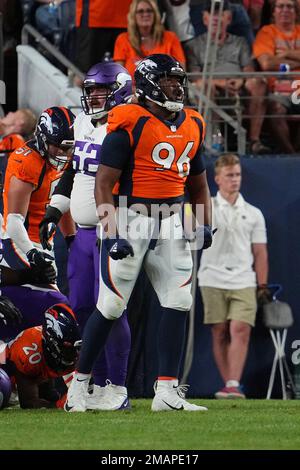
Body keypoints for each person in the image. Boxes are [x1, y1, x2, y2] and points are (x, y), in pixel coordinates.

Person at [65, 53, 213, 413]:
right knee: (111, 305)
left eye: (179, 79)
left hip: (172, 220)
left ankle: (166, 391)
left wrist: (205, 222)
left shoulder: (193, 122)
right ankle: (79, 389)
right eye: (168, 80)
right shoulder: (129, 122)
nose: (176, 86)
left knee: (178, 302)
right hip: (130, 218)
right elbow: (104, 185)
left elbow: (199, 185)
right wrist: (111, 230)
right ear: (148, 84)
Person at [39, 62, 133, 411]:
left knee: (110, 309)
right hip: (82, 233)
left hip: (112, 230)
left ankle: (117, 386)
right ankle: (91, 383)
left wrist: (120, 227)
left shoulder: (128, 124)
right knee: (79, 307)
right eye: (90, 90)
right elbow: (73, 173)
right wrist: (54, 209)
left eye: (100, 90)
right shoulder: (82, 123)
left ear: (120, 90)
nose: (93, 96)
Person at [0, 106, 76, 340]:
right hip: (16, 242)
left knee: (56, 318)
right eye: (59, 145)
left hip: (43, 244)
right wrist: (33, 254)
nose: (64, 152)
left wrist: (72, 239)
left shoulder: (63, 159)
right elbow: (13, 222)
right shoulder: (26, 161)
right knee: (56, 309)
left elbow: (61, 203)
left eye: (69, 146)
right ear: (43, 138)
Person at [198, 153, 269, 399]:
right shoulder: (206, 207)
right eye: (229, 175)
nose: (234, 180)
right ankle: (227, 383)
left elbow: (260, 252)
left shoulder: (254, 213)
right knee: (219, 330)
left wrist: (262, 284)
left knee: (240, 328)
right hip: (211, 277)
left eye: (237, 175)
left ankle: (233, 384)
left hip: (243, 279)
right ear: (218, 179)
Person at [185, 0, 270, 154]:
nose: (216, 18)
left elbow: (249, 70)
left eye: (221, 14)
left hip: (238, 87)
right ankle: (214, 139)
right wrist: (222, 83)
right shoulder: (193, 45)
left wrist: (240, 80)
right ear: (204, 19)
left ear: (229, 19)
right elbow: (195, 76)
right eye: (212, 14)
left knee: (258, 83)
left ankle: (254, 141)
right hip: (209, 89)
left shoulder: (240, 42)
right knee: (202, 85)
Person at [0, 303, 81, 409]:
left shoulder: (50, 346)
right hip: (8, 381)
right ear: (53, 342)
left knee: (51, 395)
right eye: (69, 349)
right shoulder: (29, 354)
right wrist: (59, 405)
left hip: (35, 372)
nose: (74, 353)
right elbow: (29, 402)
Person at [253, 0, 300, 153]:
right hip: (279, 89)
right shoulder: (267, 32)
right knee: (276, 108)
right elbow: (266, 63)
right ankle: (290, 154)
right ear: (273, 12)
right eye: (280, 6)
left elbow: (273, 61)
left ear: (295, 11)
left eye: (289, 6)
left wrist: (285, 54)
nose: (285, 10)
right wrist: (294, 62)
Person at [113, 0, 186, 80]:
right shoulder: (123, 39)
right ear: (133, 16)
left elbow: (180, 73)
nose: (145, 14)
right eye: (140, 11)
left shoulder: (170, 38)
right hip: (133, 91)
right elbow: (119, 78)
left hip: (164, 90)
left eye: (149, 11)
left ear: (155, 14)